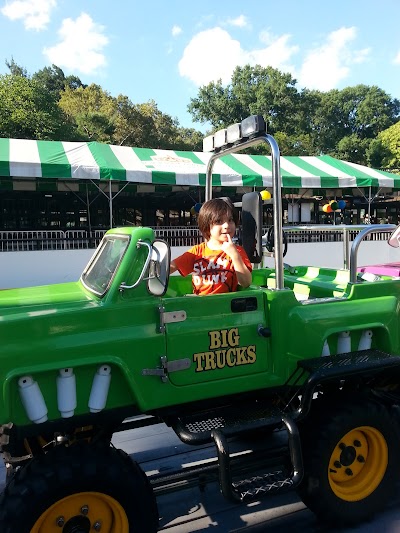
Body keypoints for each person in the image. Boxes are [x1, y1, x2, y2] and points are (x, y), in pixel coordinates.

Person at [170, 198, 252, 295]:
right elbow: (170, 267)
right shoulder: (197, 251)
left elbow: (246, 282)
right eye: (219, 221)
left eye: (230, 220)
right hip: (200, 305)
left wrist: (234, 255)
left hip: (226, 306)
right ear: (207, 226)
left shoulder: (237, 251)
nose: (226, 225)